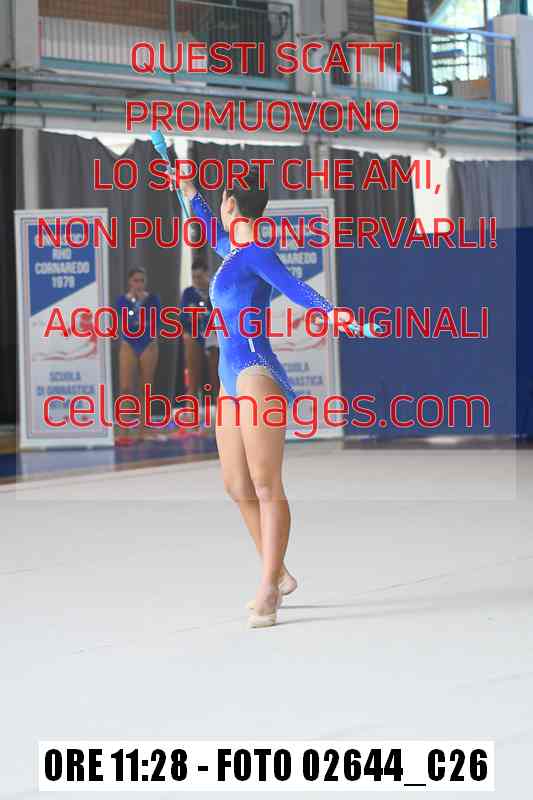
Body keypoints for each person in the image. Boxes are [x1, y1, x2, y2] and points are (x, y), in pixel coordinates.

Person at [179, 167, 361, 628]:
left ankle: (267, 589)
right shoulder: (231, 250)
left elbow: (294, 287)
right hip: (228, 377)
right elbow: (204, 221)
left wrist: (336, 315)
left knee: (265, 485)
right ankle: (278, 571)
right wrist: (186, 186)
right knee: (236, 485)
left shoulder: (257, 252)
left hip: (255, 373)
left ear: (231, 202)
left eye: (222, 201)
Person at [115, 268, 161, 443]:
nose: (139, 284)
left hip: (148, 343)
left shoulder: (152, 299)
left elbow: (156, 321)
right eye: (135, 280)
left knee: (146, 387)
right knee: (125, 388)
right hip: (129, 343)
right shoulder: (122, 300)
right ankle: (124, 431)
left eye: (142, 280)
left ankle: (144, 430)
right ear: (129, 282)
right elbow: (123, 323)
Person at [180, 257, 219, 404]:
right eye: (194, 277)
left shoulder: (215, 291)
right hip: (195, 334)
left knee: (216, 374)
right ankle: (191, 405)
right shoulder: (189, 293)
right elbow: (183, 318)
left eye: (200, 277)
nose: (196, 280)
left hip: (214, 334)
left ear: (207, 274)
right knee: (193, 374)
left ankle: (220, 404)